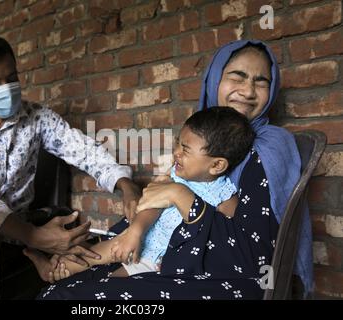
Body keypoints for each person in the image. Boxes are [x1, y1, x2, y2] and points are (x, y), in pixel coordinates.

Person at [37, 39, 310, 300]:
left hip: (219, 275)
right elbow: (156, 204)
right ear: (215, 80)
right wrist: (125, 233)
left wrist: (180, 195)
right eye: (237, 77)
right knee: (63, 286)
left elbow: (253, 258)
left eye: (261, 81)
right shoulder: (199, 140)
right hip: (164, 252)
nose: (249, 91)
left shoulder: (269, 149)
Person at [0, 32, 142, 271]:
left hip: (20, 234)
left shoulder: (36, 117)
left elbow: (83, 150)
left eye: (11, 78)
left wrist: (125, 184)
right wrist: (34, 236)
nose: (6, 89)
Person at [27, 107, 255, 282]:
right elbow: (151, 206)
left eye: (185, 150)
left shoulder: (225, 196)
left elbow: (223, 237)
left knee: (111, 283)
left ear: (216, 165)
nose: (176, 152)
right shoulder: (174, 177)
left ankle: (63, 272)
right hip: (142, 238)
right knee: (89, 255)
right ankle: (51, 268)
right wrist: (134, 232)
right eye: (178, 143)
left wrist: (181, 260)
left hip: (158, 260)